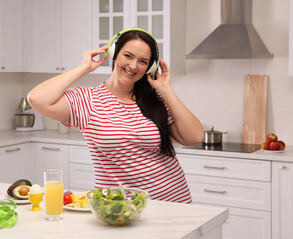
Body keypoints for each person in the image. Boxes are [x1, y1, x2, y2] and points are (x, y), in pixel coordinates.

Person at [28, 28, 204, 204]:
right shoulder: (87, 100)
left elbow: (194, 137)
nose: (134, 66)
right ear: (114, 53)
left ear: (149, 67)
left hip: (173, 199)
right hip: (118, 207)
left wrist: (166, 89)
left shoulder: (155, 100)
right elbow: (37, 99)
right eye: (128, 56)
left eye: (143, 61)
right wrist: (84, 68)